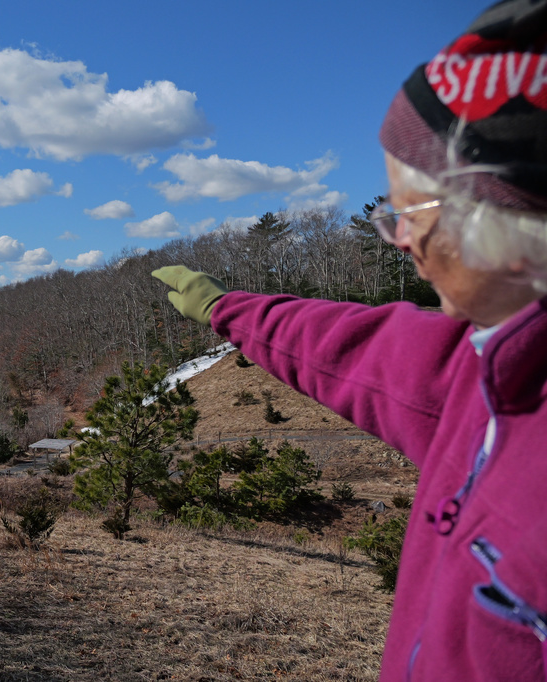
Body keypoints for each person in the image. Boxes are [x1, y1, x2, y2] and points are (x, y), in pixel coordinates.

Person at [153, 2, 547, 680]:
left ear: (503, 227)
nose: (399, 238)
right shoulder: (480, 373)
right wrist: (223, 307)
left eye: (407, 213)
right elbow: (340, 348)